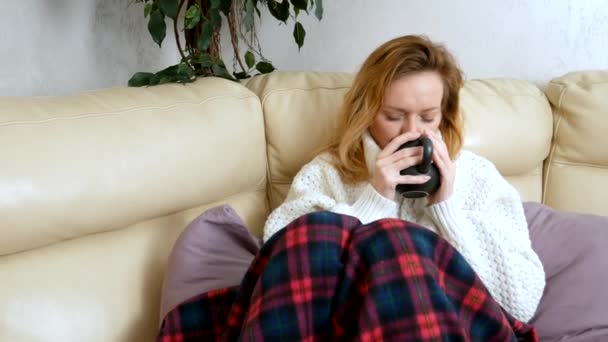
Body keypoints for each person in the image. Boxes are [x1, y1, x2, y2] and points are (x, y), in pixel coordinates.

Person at [262, 34, 545, 323]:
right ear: (367, 112)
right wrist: (373, 201)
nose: (412, 132)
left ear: (444, 116)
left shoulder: (478, 176)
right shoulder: (326, 172)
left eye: (427, 117)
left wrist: (447, 211)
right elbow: (279, 273)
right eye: (394, 116)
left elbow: (521, 303)